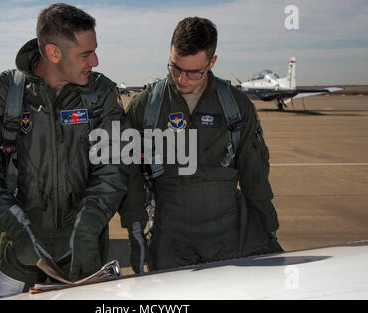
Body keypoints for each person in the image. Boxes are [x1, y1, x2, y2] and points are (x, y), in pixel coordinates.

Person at [0, 3, 128, 297]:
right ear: (53, 53)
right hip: (16, 252)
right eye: (86, 54)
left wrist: (86, 231)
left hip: (84, 254)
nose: (96, 61)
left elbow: (113, 168)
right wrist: (18, 232)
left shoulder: (102, 96)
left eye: (94, 50)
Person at [119, 17, 282, 273]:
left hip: (229, 236)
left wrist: (268, 226)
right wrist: (136, 234)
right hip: (170, 238)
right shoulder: (145, 107)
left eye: (194, 72)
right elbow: (130, 179)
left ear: (212, 61)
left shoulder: (236, 107)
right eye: (175, 68)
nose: (182, 79)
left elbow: (255, 177)